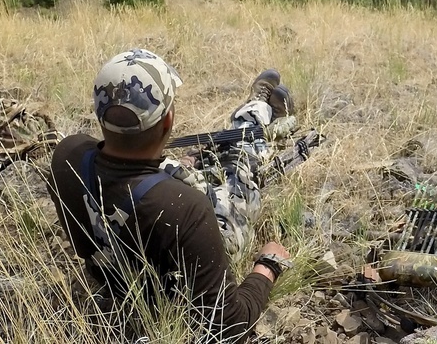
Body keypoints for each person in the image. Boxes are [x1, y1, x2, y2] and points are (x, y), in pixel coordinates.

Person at [49, 48, 293, 342]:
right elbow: (229, 327)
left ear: (100, 115)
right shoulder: (187, 208)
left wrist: (160, 165)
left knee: (204, 162)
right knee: (241, 166)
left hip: (117, 276)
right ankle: (258, 111)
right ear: (168, 122)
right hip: (188, 261)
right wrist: (267, 267)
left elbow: (108, 167)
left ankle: (258, 109)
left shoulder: (68, 155)